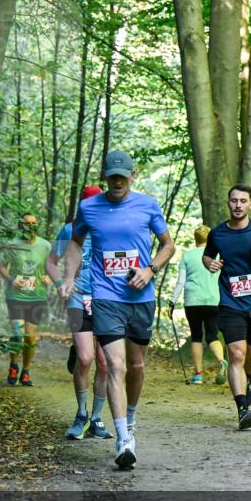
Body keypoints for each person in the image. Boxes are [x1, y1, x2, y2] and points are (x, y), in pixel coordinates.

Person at [59, 151, 175, 469]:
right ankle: (124, 438)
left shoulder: (147, 205)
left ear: (132, 175)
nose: (118, 181)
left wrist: (149, 270)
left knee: (137, 366)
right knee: (114, 365)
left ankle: (131, 417)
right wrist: (69, 276)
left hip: (141, 297)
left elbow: (169, 245)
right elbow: (75, 243)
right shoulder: (89, 207)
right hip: (105, 296)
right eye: (113, 176)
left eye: (123, 176)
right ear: (105, 176)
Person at [202, 184, 251, 429]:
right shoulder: (217, 233)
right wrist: (209, 264)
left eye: (243, 201)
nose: (238, 205)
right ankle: (242, 409)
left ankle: (249, 379)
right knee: (236, 354)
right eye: (234, 201)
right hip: (230, 303)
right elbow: (208, 254)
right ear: (228, 203)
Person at [46, 185, 111, 440]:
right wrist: (61, 283)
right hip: (78, 298)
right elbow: (50, 262)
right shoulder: (69, 229)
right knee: (86, 359)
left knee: (104, 363)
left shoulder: (111, 229)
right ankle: (81, 414)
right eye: (88, 205)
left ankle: (97, 418)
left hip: (107, 301)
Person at [0, 213, 52, 387]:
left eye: (34, 223)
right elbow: (1, 266)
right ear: (20, 225)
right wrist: (11, 279)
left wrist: (49, 277)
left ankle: (26, 371)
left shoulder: (45, 245)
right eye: (27, 223)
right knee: (17, 333)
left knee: (30, 337)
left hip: (37, 296)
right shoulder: (12, 244)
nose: (31, 226)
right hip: (15, 296)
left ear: (38, 225)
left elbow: (52, 267)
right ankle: (13, 365)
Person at [169, 225, 227, 385]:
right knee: (212, 335)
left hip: (193, 301)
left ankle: (198, 375)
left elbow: (181, 281)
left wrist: (172, 301)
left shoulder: (187, 256)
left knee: (196, 336)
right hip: (214, 300)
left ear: (195, 239)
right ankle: (222, 361)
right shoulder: (218, 256)